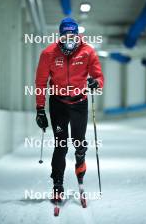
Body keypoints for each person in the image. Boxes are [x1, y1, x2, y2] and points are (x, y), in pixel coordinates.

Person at [35, 17, 104, 200]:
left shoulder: (87, 52)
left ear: (77, 35)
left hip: (79, 103)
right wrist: (40, 109)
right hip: (58, 104)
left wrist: (95, 83)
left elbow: (98, 76)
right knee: (61, 144)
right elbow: (40, 83)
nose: (69, 40)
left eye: (72, 36)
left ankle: (80, 165)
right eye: (66, 36)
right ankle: (58, 184)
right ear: (60, 37)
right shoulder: (48, 54)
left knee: (79, 143)